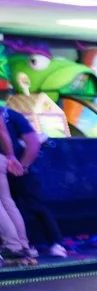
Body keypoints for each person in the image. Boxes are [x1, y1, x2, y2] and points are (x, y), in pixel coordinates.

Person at [3, 106, 64, 259]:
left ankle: (55, 243)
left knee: (34, 205)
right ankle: (24, 245)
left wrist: (23, 166)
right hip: (6, 167)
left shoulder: (11, 115)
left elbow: (33, 142)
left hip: (20, 168)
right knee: (12, 207)